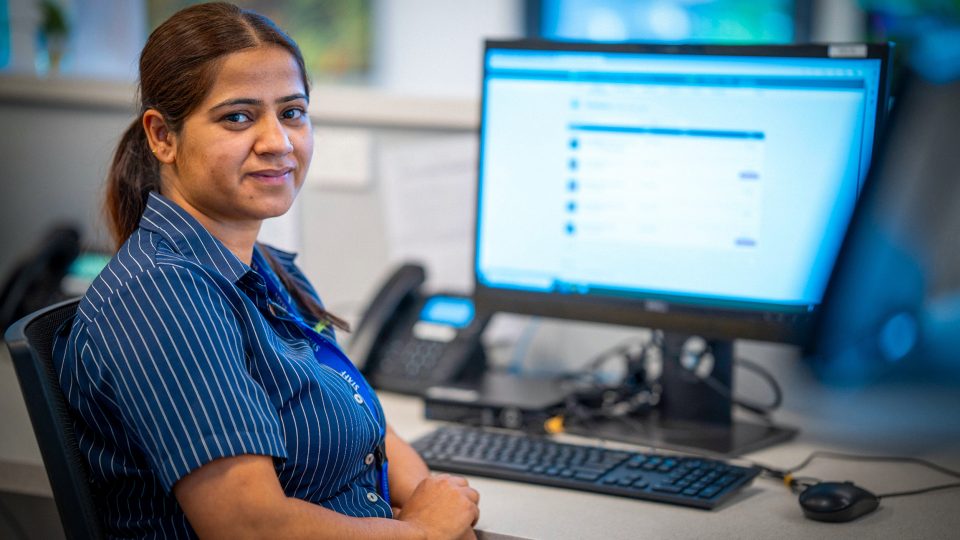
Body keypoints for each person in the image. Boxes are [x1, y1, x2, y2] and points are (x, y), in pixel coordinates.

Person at [52, 3, 479, 538]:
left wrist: (427, 501)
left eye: (292, 112)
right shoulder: (160, 297)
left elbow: (359, 415)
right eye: (238, 116)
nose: (278, 142)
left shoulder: (267, 269)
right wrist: (426, 533)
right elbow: (248, 526)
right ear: (163, 136)